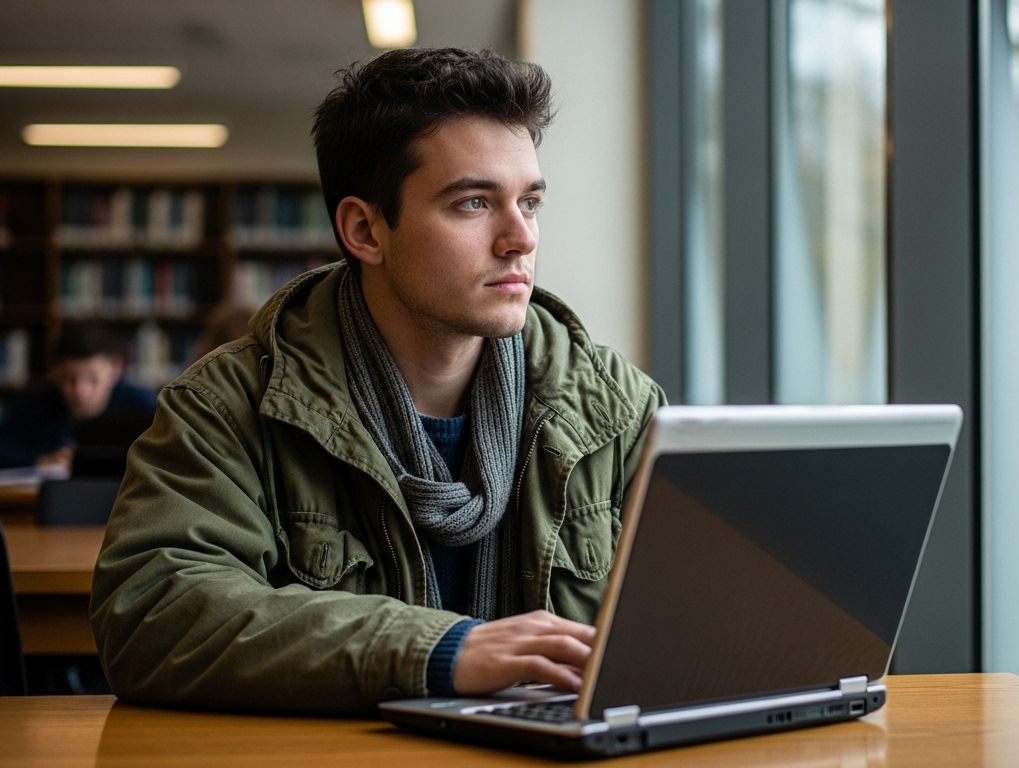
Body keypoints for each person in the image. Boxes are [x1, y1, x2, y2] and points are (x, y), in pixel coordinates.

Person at [89, 47, 665, 715]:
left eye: (529, 201)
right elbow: (154, 614)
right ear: (364, 229)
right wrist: (434, 650)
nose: (520, 239)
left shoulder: (616, 407)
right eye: (475, 203)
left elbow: (705, 616)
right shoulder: (229, 405)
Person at [0, 323, 156, 470]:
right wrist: (39, 460)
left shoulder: (143, 406)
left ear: (115, 368)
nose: (81, 391)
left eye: (93, 379)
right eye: (70, 379)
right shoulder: (32, 406)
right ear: (56, 372)